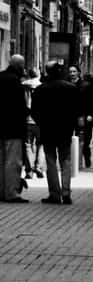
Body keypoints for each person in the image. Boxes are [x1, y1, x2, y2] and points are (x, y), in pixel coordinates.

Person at [31, 61, 80, 204]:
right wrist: (71, 124)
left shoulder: (41, 89)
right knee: (66, 160)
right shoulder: (71, 88)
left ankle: (54, 193)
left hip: (48, 130)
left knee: (50, 161)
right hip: (65, 130)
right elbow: (76, 110)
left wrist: (42, 124)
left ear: (47, 72)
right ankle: (66, 192)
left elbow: (35, 112)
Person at [0, 54, 29, 203]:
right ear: (20, 66)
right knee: (12, 162)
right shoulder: (16, 83)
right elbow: (20, 108)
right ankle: (11, 192)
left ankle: (1, 191)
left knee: (1, 161)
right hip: (13, 128)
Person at [22, 67, 43, 179]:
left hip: (27, 120)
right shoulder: (42, 86)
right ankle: (38, 167)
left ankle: (29, 170)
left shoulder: (23, 86)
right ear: (38, 74)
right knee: (41, 145)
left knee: (27, 145)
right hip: (40, 121)